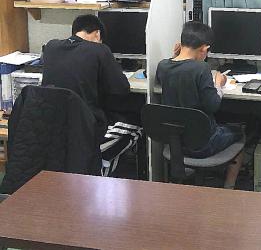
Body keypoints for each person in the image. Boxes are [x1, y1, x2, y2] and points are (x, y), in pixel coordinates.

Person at [156, 21, 244, 189]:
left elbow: (165, 75)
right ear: (204, 49)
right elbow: (213, 105)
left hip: (175, 143)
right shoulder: (201, 68)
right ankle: (229, 188)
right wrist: (218, 83)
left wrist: (175, 57)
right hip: (203, 145)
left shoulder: (163, 66)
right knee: (241, 133)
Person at [42, 14, 141, 136]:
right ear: (97, 34)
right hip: (87, 125)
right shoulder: (100, 49)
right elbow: (122, 88)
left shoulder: (51, 46)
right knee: (138, 107)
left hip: (52, 123)